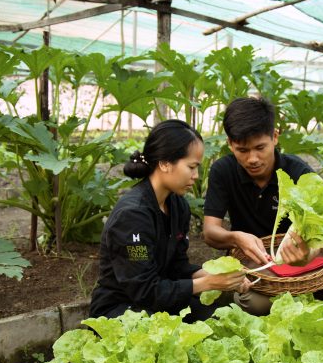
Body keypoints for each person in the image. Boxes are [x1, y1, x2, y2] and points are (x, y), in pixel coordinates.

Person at [202, 97, 323, 315]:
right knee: (255, 304)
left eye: (260, 147)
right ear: (230, 144)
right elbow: (210, 232)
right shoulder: (223, 171)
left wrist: (310, 252)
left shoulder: (297, 171)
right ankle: (309, 301)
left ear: (275, 137)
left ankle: (311, 300)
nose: (252, 159)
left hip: (305, 260)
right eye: (242, 150)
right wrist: (237, 237)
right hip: (257, 264)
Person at [90, 119, 249, 321]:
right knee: (164, 335)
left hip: (161, 301)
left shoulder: (178, 205)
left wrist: (223, 274)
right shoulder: (132, 216)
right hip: (123, 309)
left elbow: (178, 268)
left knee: (218, 321)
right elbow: (144, 290)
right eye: (191, 167)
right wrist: (208, 283)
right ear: (165, 163)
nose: (196, 176)